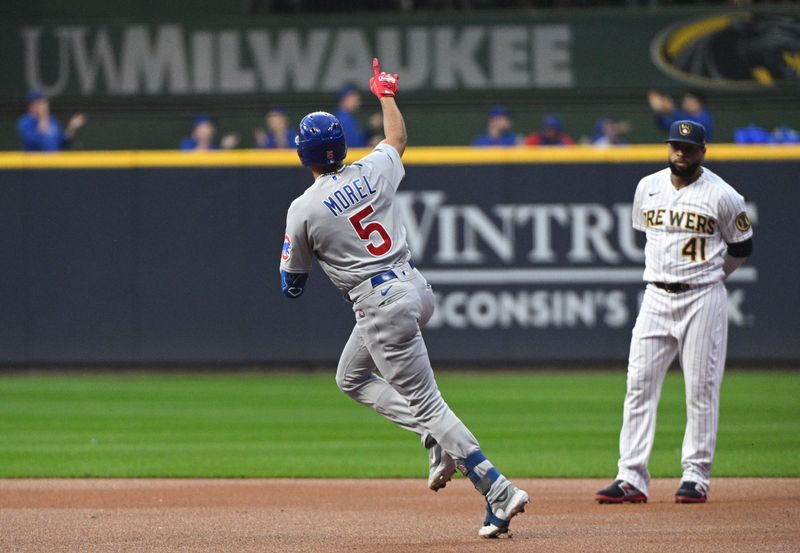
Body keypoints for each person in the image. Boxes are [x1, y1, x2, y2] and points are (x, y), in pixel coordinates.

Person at [279, 58, 529, 538]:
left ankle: (498, 490)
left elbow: (292, 285)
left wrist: (298, 251)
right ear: (340, 147)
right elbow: (396, 140)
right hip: (414, 286)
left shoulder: (303, 208)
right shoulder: (372, 170)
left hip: (379, 303)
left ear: (303, 156)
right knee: (351, 377)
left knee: (430, 404)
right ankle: (429, 436)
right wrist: (386, 94)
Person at [595, 120, 753, 505]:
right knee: (638, 384)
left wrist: (713, 276)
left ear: (703, 151)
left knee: (700, 388)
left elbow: (742, 248)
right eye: (675, 146)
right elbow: (647, 235)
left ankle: (695, 476)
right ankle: (631, 476)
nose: (680, 153)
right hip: (655, 296)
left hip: (703, 298)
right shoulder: (647, 187)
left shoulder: (723, 195)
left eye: (688, 148)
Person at [17, 90, 86, 151]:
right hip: (35, 164)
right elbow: (32, 142)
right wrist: (43, 117)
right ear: (32, 106)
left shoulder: (52, 120)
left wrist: (71, 127)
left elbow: (62, 142)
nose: (45, 105)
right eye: (40, 103)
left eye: (44, 102)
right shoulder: (25, 122)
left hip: (54, 163)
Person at [648, 90, 714, 141]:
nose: (685, 103)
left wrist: (672, 111)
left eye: (688, 100)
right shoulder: (682, 116)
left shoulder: (704, 116)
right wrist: (659, 111)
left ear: (697, 102)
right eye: (685, 100)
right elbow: (665, 125)